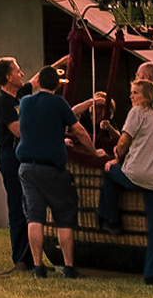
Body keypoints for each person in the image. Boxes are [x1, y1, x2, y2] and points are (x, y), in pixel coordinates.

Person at [15, 66, 95, 278]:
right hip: (52, 168)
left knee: (34, 217)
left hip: (27, 167)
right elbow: (79, 130)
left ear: (39, 82)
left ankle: (38, 267)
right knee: (64, 216)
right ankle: (69, 267)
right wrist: (93, 152)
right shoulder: (59, 103)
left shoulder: (25, 103)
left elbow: (36, 128)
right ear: (58, 85)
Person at [97, 79, 153, 286]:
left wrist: (116, 159)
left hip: (136, 174)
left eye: (136, 93)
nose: (131, 96)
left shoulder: (137, 112)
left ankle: (110, 218)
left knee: (109, 171)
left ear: (146, 96)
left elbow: (124, 140)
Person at [0, 57, 31, 269]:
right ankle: (21, 258)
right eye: (17, 70)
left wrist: (64, 62)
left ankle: (32, 256)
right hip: (10, 156)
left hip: (22, 154)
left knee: (29, 205)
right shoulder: (2, 101)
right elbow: (18, 131)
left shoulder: (21, 94)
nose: (21, 74)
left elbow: (40, 80)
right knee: (17, 204)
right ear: (8, 77)